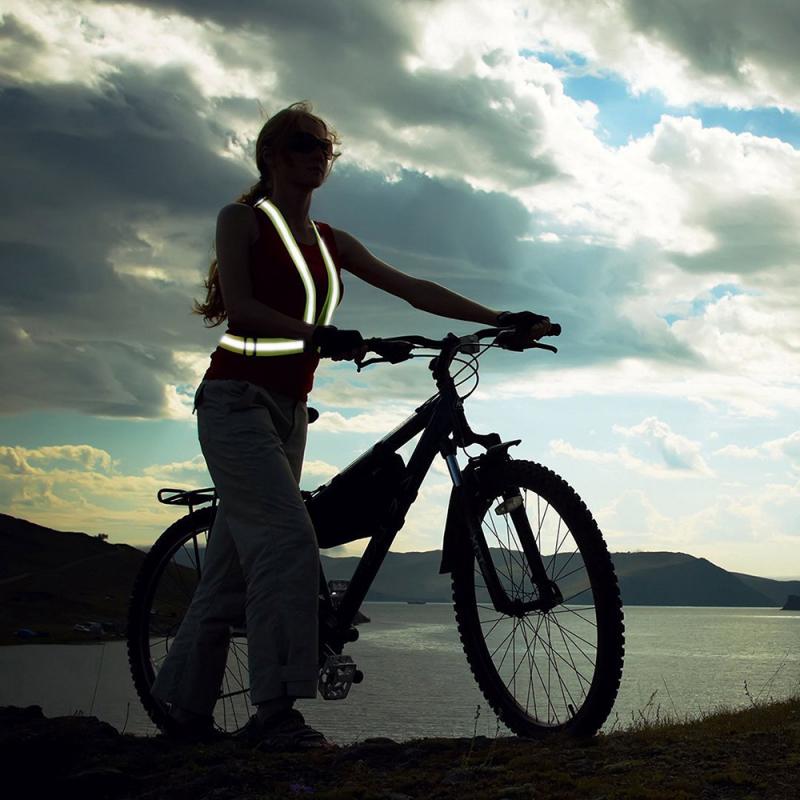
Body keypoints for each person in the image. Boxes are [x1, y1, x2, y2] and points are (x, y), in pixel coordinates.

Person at [151, 100, 552, 750]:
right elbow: (245, 310)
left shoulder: (331, 241)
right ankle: (275, 713)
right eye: (305, 143)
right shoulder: (243, 221)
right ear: (274, 155)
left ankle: (184, 717)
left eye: (325, 147)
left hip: (286, 414)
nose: (318, 155)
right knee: (286, 544)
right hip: (233, 403)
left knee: (227, 575)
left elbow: (413, 287)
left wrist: (502, 319)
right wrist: (324, 336)